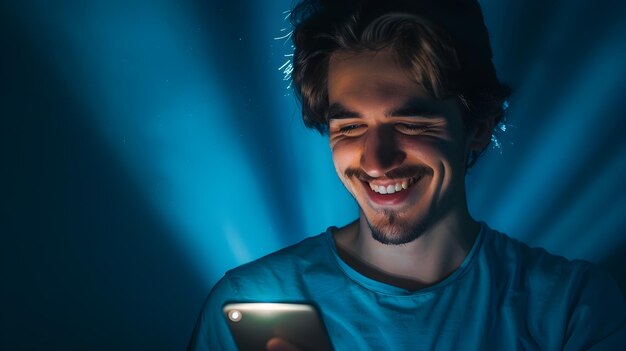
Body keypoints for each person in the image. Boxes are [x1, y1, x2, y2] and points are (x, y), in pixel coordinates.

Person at [188, 0, 626, 349]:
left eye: (411, 124)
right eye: (350, 127)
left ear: (478, 127)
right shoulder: (249, 301)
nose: (376, 161)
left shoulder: (571, 309)